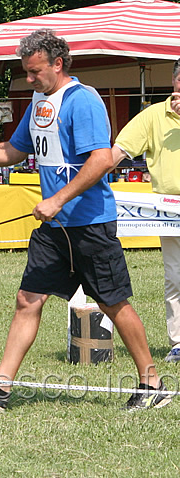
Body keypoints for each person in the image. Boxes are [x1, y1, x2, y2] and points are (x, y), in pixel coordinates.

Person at [0, 29, 170, 412]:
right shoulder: (40, 99)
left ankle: (152, 382)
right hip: (54, 229)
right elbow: (13, 150)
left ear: (57, 64)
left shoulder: (83, 101)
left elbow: (101, 160)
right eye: (27, 72)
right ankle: (0, 387)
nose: (29, 79)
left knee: (114, 303)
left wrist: (58, 199)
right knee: (27, 299)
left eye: (35, 71)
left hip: (90, 223)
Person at [112, 58, 180, 363]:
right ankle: (179, 343)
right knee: (176, 277)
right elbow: (119, 150)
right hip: (169, 213)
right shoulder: (153, 116)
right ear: (174, 81)